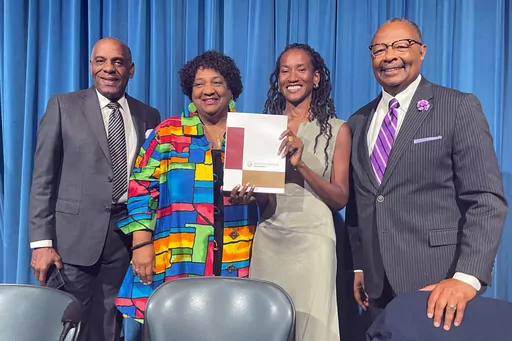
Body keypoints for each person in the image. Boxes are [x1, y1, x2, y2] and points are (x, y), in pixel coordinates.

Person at [346, 18, 507, 331]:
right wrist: (359, 266)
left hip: (440, 283)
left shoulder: (457, 107)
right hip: (377, 288)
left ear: (422, 51)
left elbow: (486, 199)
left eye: (401, 45)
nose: (389, 55)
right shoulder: (358, 120)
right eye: (379, 49)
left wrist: (466, 277)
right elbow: (360, 203)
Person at [28, 37, 161, 341]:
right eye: (100, 61)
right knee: (65, 325)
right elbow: (42, 179)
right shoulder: (63, 105)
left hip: (124, 240)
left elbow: (150, 180)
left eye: (117, 62)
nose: (109, 69)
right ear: (91, 66)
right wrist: (41, 243)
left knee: (108, 328)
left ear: (131, 69)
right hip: (70, 242)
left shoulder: (148, 115)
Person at [115, 50, 259, 323]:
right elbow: (140, 188)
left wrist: (258, 197)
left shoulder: (250, 131)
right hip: (179, 253)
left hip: (238, 254)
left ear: (231, 88)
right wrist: (141, 243)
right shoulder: (169, 132)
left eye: (216, 82)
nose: (208, 90)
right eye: (199, 84)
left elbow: (269, 197)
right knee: (179, 326)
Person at [249, 43, 352, 341]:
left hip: (314, 241)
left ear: (316, 78)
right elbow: (265, 194)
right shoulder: (263, 129)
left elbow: (340, 198)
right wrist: (248, 195)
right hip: (269, 237)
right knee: (264, 325)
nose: (292, 76)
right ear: (277, 79)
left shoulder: (337, 130)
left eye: (301, 69)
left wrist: (302, 166)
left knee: (313, 327)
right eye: (285, 70)